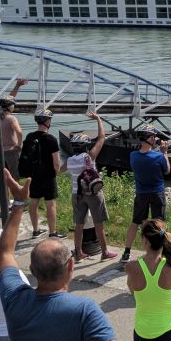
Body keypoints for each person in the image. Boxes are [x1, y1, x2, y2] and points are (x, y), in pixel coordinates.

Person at [0, 170, 127, 341]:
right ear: (71, 265)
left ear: (32, 271)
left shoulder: (15, 299)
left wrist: (18, 204)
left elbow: (5, 253)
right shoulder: (83, 310)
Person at [124, 219, 171, 341]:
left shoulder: (131, 267)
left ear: (145, 240)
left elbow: (133, 291)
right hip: (170, 325)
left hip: (144, 328)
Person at [64, 111, 117, 261]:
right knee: (98, 224)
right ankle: (104, 252)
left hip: (77, 194)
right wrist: (98, 119)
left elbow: (58, 169)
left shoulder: (69, 161)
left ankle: (78, 252)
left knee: (79, 224)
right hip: (93, 193)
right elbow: (101, 137)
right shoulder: (89, 157)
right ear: (86, 146)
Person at [122, 123, 170, 264]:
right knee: (160, 223)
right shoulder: (158, 157)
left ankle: (126, 251)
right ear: (150, 138)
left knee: (136, 222)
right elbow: (167, 170)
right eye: (154, 137)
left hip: (141, 193)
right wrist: (164, 153)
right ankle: (162, 252)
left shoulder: (133, 156)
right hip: (157, 193)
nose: (155, 140)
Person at [19, 109, 64, 238]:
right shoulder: (51, 139)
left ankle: (35, 230)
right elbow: (56, 162)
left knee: (34, 202)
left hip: (33, 176)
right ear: (47, 121)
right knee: (50, 204)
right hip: (48, 176)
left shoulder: (30, 136)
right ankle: (52, 232)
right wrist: (56, 173)